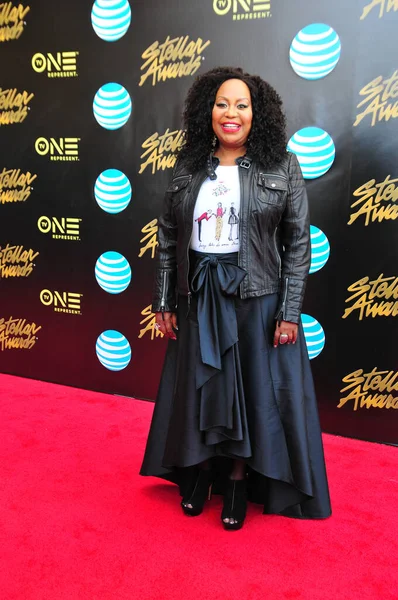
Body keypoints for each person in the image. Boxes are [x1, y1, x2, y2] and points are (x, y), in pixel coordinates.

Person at [140, 67, 331, 530]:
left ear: (256, 113)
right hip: (199, 295)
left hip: (256, 299)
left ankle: (241, 480)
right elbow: (167, 240)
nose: (231, 113)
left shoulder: (282, 165)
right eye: (222, 103)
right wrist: (165, 300)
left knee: (250, 394)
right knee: (202, 389)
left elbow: (298, 244)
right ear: (209, 110)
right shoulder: (187, 166)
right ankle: (203, 473)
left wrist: (288, 312)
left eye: (241, 105)